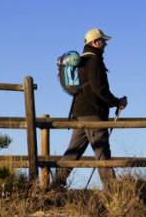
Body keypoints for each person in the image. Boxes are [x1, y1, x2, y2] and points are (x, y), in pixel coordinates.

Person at [54, 28, 128, 188]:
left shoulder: (82, 60)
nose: (105, 44)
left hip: (80, 111)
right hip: (93, 112)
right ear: (95, 42)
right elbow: (98, 88)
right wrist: (116, 102)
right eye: (103, 41)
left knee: (74, 152)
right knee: (102, 152)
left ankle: (53, 187)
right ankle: (113, 192)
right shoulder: (94, 60)